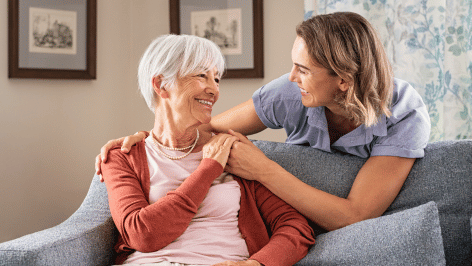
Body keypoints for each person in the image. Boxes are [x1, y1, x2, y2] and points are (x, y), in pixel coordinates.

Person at [97, 12, 431, 233]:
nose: (291, 76)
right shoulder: (290, 92)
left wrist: (263, 169)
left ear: (343, 80)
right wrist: (147, 139)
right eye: (293, 64)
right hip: (288, 222)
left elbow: (356, 216)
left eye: (304, 69)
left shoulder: (403, 113)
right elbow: (203, 130)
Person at [101, 34, 314, 266]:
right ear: (161, 85)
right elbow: (142, 235)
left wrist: (255, 264)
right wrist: (208, 170)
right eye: (202, 76)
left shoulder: (232, 151)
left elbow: (295, 226)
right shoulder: (121, 157)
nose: (214, 90)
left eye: (217, 79)